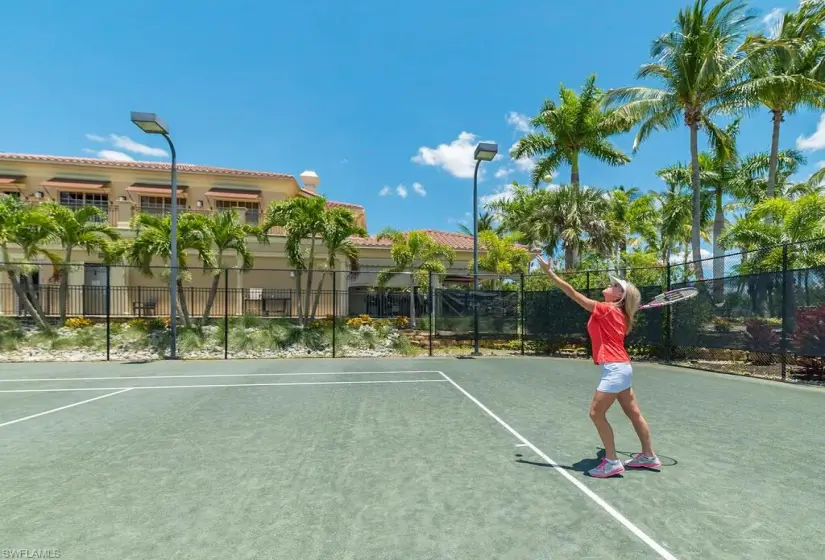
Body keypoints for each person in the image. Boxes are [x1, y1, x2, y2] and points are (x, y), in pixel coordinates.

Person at [535, 253, 661, 478]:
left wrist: (549, 272)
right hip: (622, 367)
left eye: (614, 285)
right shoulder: (620, 314)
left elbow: (572, 293)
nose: (609, 285)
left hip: (614, 368)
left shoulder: (606, 308)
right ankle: (648, 456)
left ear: (620, 296)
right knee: (633, 412)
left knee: (596, 413)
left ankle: (612, 462)